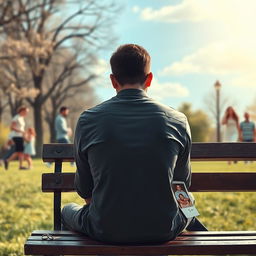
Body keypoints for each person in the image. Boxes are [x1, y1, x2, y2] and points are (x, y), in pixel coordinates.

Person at [62, 44, 206, 244]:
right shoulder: (177, 120)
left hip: (105, 229)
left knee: (67, 209)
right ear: (150, 79)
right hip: (163, 228)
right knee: (190, 203)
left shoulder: (88, 120)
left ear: (113, 81)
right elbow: (181, 184)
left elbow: (85, 190)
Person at [4, 106, 29, 170]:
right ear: (22, 111)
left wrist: (24, 134)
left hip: (20, 136)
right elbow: (12, 127)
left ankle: (10, 162)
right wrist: (21, 131)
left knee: (19, 152)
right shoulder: (16, 118)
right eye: (26, 112)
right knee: (20, 151)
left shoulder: (21, 118)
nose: (27, 113)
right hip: (16, 136)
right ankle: (9, 161)